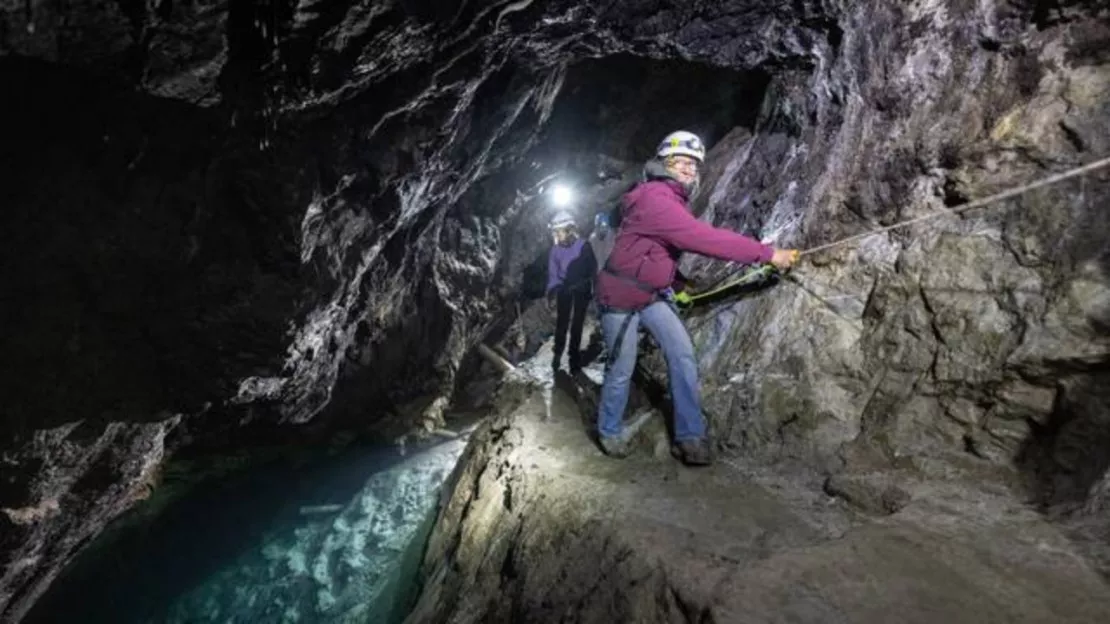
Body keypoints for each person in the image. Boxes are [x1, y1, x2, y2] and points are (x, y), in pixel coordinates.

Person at [594, 130, 799, 465]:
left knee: (683, 355)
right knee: (621, 367)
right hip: (619, 298)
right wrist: (767, 254)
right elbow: (701, 238)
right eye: (681, 161)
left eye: (693, 164)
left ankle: (690, 436)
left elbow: (656, 250)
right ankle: (609, 430)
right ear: (664, 162)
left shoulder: (671, 198)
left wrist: (676, 282)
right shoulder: (654, 198)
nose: (689, 169)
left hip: (652, 296)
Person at [546, 211, 597, 374]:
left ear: (569, 230)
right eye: (555, 232)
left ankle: (573, 358)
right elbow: (553, 273)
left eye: (558, 231)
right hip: (565, 289)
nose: (556, 235)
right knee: (562, 323)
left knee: (577, 324)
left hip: (580, 290)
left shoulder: (584, 246)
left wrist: (589, 288)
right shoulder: (555, 250)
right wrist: (554, 290)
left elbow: (592, 270)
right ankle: (557, 354)